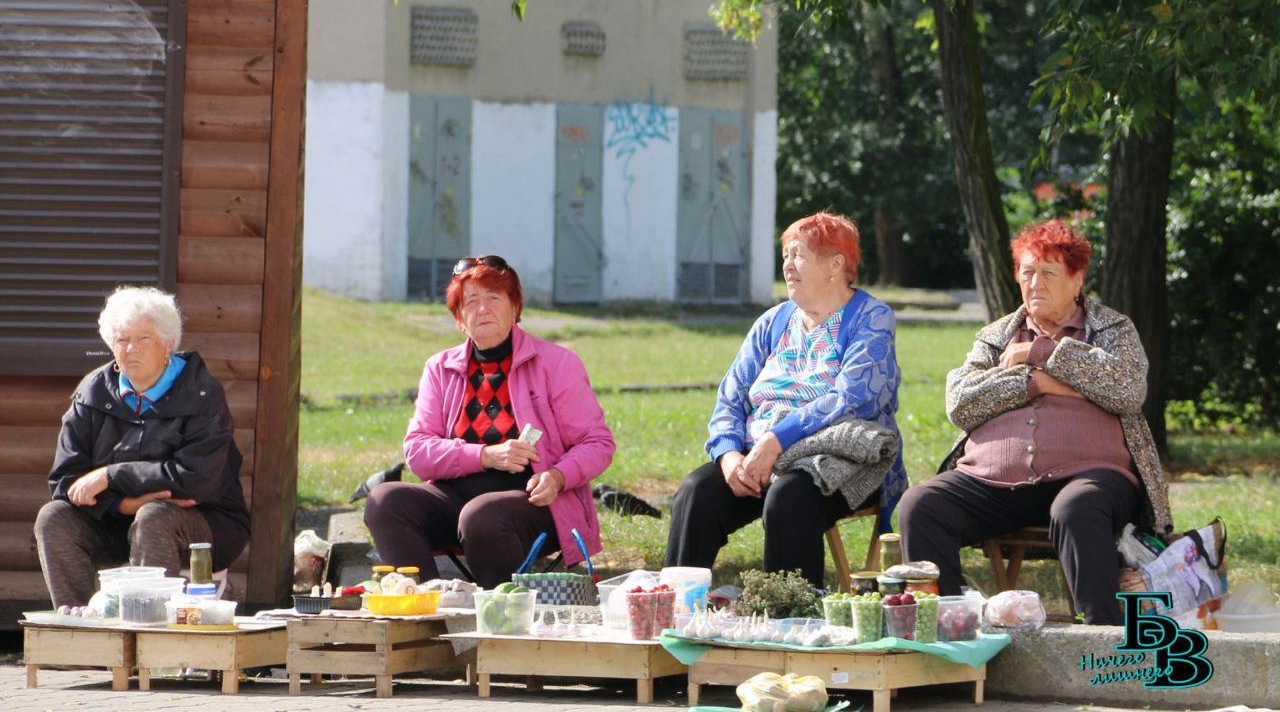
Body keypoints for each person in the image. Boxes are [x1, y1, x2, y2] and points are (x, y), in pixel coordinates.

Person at [898, 218, 1173, 625]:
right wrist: (1036, 384)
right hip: (992, 480)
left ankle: (1103, 641)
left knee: (1076, 507)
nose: (1035, 283)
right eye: (1027, 272)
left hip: (1092, 477)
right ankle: (950, 630)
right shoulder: (996, 336)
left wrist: (1042, 353)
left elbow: (1127, 388)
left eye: (1049, 273)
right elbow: (961, 401)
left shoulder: (1113, 329)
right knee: (920, 505)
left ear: (1077, 279)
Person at [666, 213, 909, 587]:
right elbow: (730, 397)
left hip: (840, 457)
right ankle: (674, 607)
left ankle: (791, 620)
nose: (787, 266)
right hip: (758, 456)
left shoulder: (871, 318)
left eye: (798, 255)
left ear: (835, 264)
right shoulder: (773, 321)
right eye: (785, 256)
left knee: (788, 497)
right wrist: (729, 454)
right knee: (697, 492)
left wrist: (776, 439)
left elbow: (853, 397)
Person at [364, 255, 616, 588]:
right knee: (385, 500)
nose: (482, 309)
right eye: (471, 301)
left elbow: (597, 443)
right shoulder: (439, 368)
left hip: (538, 503)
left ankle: (502, 617)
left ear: (515, 307)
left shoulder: (557, 364)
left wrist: (557, 476)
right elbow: (418, 451)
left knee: (481, 516)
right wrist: (486, 456)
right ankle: (425, 607)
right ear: (458, 318)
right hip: (454, 500)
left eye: (494, 298)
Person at [36, 286, 249, 607]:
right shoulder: (91, 393)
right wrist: (124, 506)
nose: (131, 348)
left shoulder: (202, 393)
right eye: (122, 340)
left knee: (153, 518)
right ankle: (76, 642)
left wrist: (110, 475)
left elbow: (196, 480)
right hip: (117, 521)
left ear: (167, 344)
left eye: (144, 339)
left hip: (204, 523)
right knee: (54, 518)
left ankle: (151, 638)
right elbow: (67, 483)